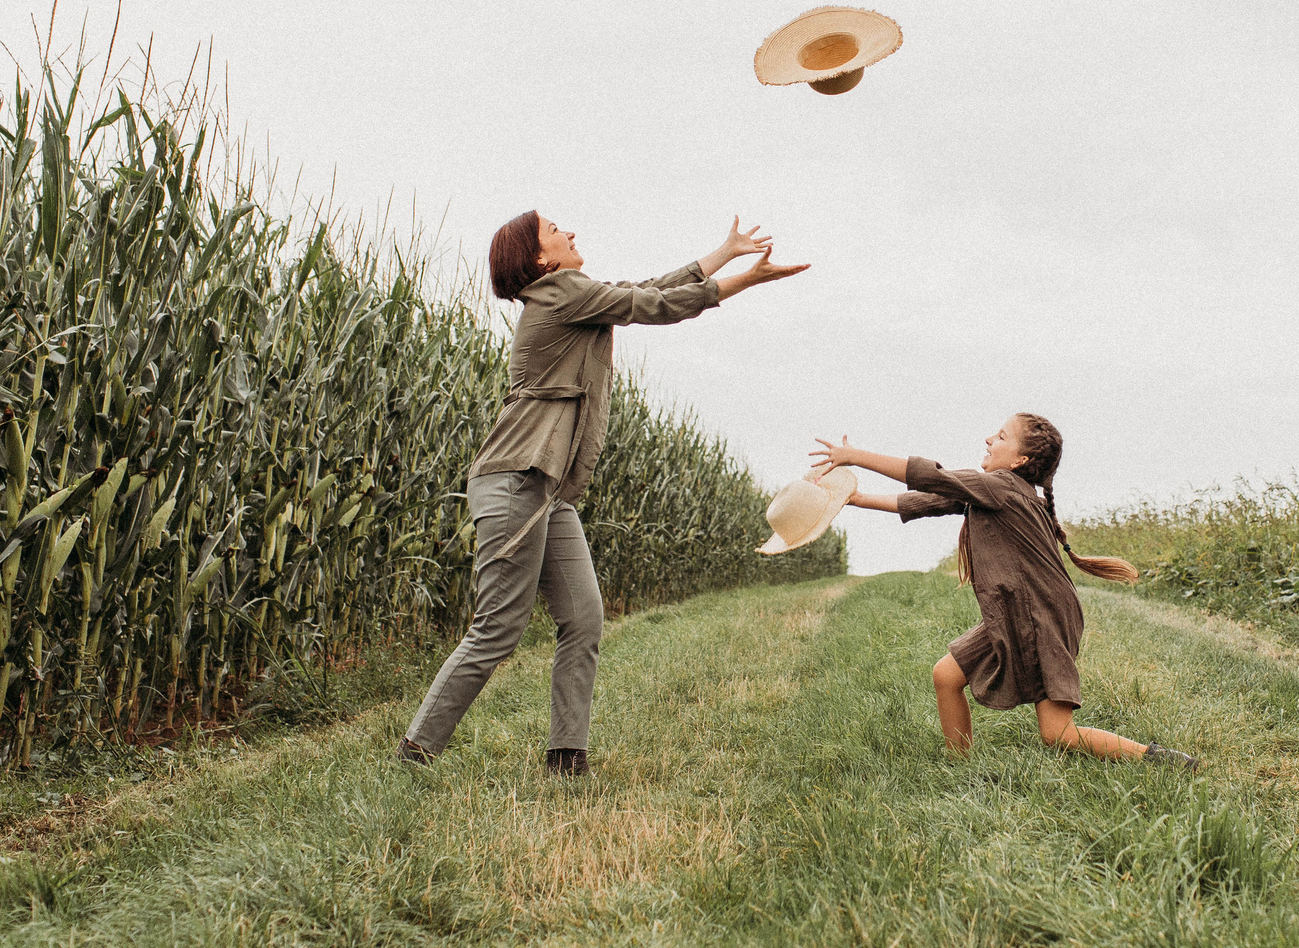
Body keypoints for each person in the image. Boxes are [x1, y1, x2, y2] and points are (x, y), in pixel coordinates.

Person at [400, 213, 806, 776]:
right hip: (517, 478)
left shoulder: (574, 297)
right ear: (541, 260)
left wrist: (725, 253)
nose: (571, 233)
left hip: (549, 486)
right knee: (498, 627)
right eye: (556, 230)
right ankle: (415, 751)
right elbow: (657, 307)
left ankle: (567, 758)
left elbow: (645, 291)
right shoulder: (559, 293)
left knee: (584, 617)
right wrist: (744, 280)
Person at [811, 414, 1198, 768]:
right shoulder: (995, 490)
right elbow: (930, 500)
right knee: (946, 676)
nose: (988, 438)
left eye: (1000, 436)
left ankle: (1160, 761)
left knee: (1058, 734)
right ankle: (959, 767)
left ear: (1019, 462)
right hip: (1017, 610)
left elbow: (931, 476)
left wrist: (855, 456)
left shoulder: (1001, 487)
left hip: (1038, 614)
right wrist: (857, 498)